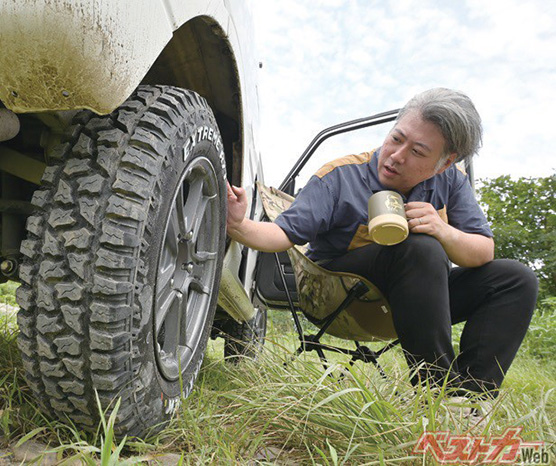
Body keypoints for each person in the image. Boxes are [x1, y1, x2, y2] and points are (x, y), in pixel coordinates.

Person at [227, 88, 538, 397]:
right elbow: (282, 234)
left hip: (419, 300)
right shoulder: (341, 176)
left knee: (516, 279)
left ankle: (468, 400)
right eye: (396, 138)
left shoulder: (451, 180)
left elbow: (483, 251)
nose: (396, 156)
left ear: (444, 163)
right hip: (340, 298)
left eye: (417, 152)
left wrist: (444, 231)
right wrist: (239, 223)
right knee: (420, 247)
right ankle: (436, 391)